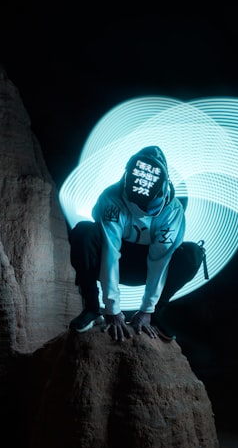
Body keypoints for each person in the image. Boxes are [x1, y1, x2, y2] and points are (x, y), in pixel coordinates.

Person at [68, 145, 204, 341]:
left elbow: (160, 261)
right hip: (113, 260)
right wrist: (112, 310)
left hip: (147, 268)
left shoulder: (173, 212)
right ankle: (91, 308)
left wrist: (147, 309)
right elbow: (110, 251)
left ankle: (157, 313)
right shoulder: (112, 199)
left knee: (192, 254)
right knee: (84, 231)